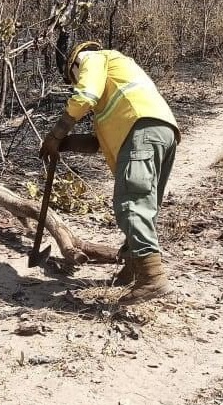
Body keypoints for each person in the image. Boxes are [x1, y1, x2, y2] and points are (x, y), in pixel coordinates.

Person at [39, 41, 180, 305]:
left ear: (75, 66)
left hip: (141, 131)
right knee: (143, 206)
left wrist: (56, 133)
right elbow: (96, 143)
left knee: (131, 204)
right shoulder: (116, 87)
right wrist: (63, 144)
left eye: (74, 78)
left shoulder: (92, 58)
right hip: (161, 132)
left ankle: (152, 278)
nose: (77, 81)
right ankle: (133, 269)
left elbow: (84, 96)